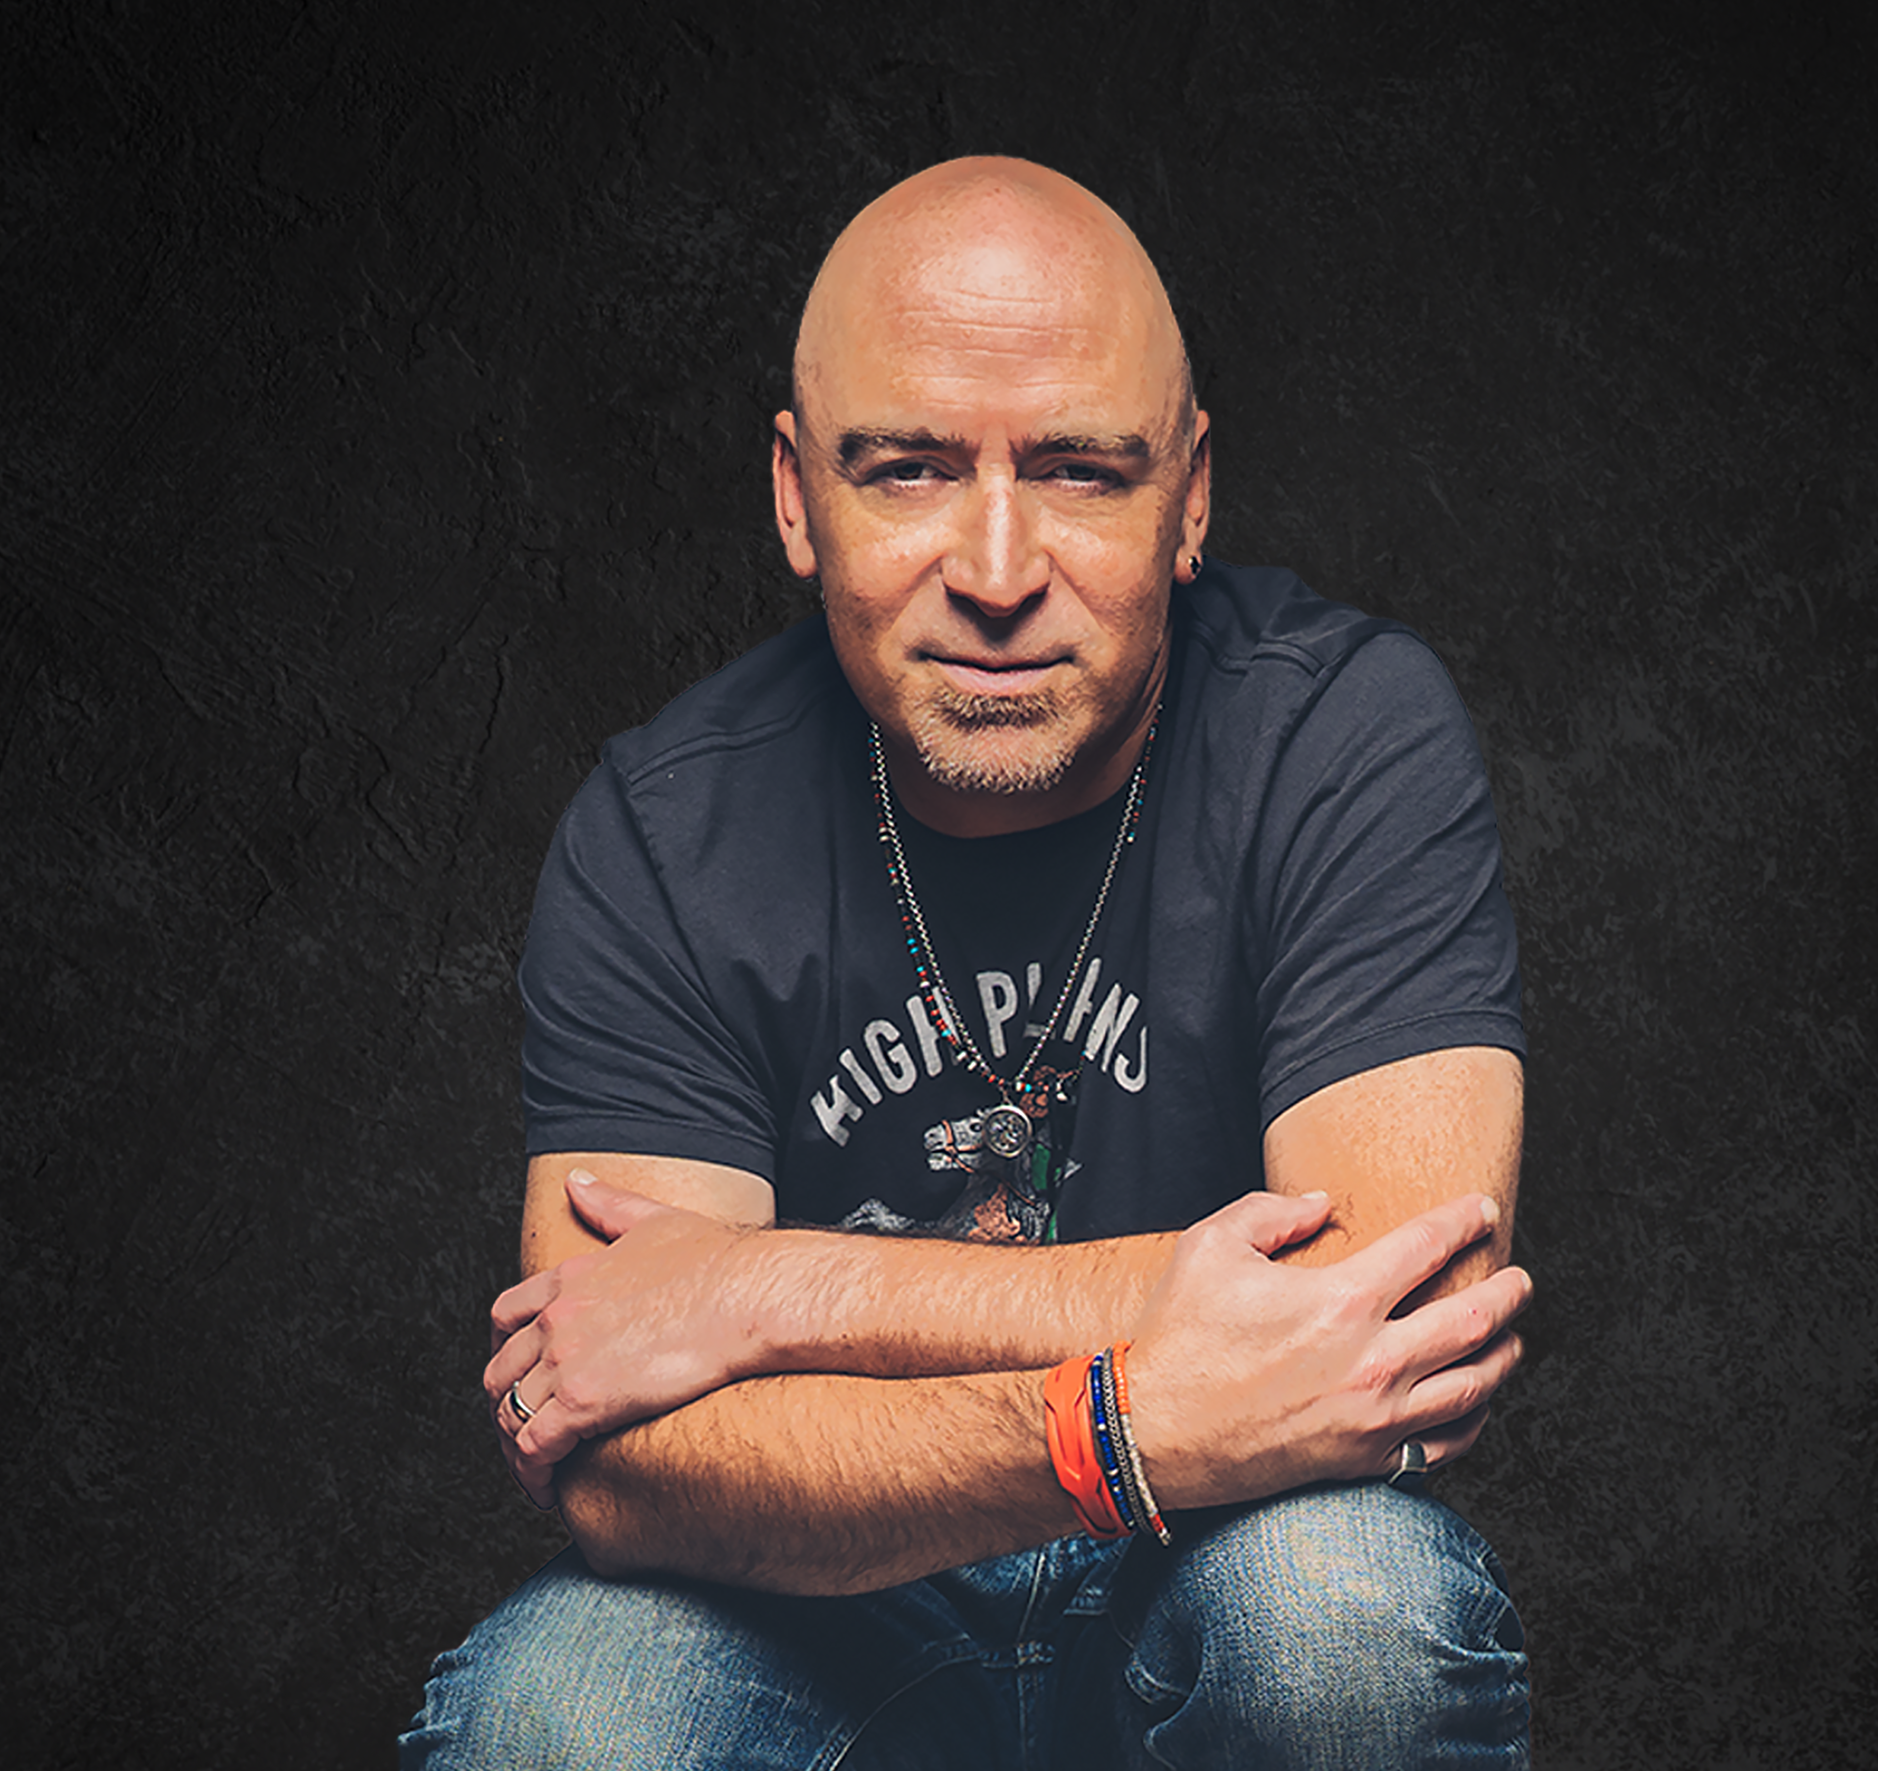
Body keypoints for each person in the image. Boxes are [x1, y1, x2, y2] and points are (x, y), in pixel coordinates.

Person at [402, 155, 1535, 1769]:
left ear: (1191, 497)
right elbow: (622, 1462)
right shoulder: (664, 828)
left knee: (1345, 1617)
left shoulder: (1340, 733)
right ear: (795, 496)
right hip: (830, 1600)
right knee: (557, 1718)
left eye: (1080, 472)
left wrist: (759, 1288)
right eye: (910, 471)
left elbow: (1389, 1323)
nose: (998, 573)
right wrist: (1119, 1416)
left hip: (1221, 1559)